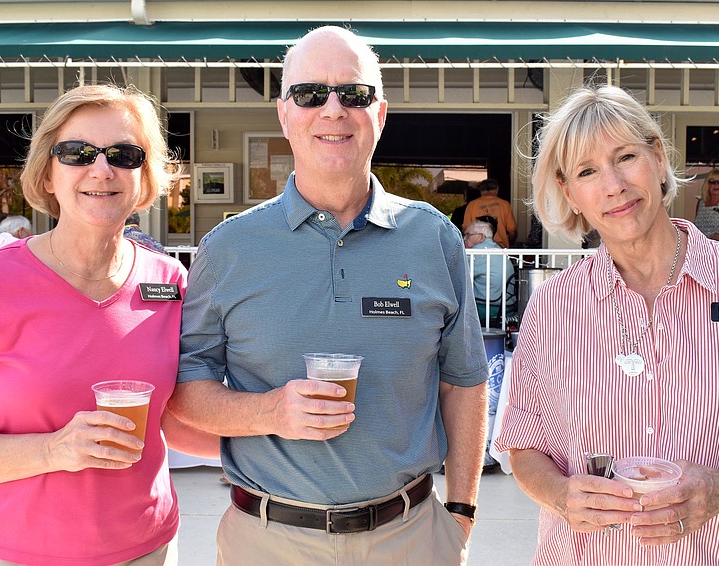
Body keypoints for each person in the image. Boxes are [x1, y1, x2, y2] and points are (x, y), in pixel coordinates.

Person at [168, 26, 488, 566]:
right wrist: (271, 411)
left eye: (354, 94)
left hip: (410, 537)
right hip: (267, 542)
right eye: (310, 94)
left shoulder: (434, 239)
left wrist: (460, 512)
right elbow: (184, 389)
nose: (333, 109)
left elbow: (464, 380)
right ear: (284, 114)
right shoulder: (229, 248)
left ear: (379, 114)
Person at [494, 84, 719, 565]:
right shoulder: (553, 307)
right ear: (569, 193)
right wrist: (561, 496)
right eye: (587, 171)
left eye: (625, 157)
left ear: (658, 157)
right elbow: (525, 445)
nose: (614, 185)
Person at [0, 83, 216, 565]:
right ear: (47, 174)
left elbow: (176, 419)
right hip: (14, 553)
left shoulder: (169, 281)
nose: (101, 169)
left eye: (124, 155)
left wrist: (284, 431)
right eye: (77, 152)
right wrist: (53, 450)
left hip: (147, 548)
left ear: (145, 177)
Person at [463, 218, 515, 324]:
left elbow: (458, 277)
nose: (464, 238)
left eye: (468, 235)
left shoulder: (476, 253)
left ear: (481, 237)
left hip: (489, 310)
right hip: (508, 308)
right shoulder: (498, 249)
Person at [463, 178, 517, 248]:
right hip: (500, 247)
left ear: (480, 190)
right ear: (497, 190)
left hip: (477, 247)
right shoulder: (505, 204)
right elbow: (512, 231)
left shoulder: (472, 205)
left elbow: (466, 228)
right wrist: (511, 245)